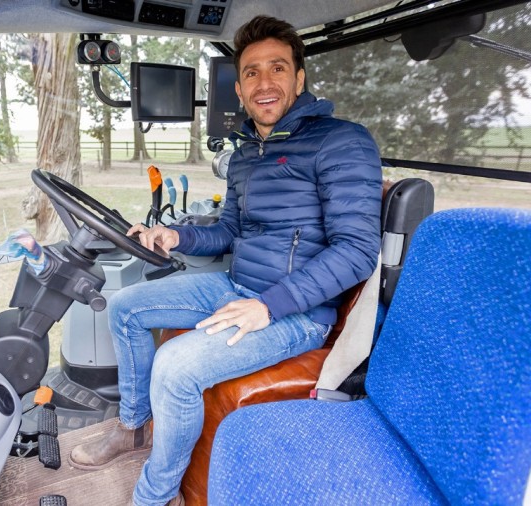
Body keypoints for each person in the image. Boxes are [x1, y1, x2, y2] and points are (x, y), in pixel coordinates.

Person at [69, 15, 382, 506]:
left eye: (277, 68)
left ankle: (155, 495)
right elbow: (228, 232)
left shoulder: (341, 141)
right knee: (125, 305)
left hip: (297, 312)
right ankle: (132, 427)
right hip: (236, 287)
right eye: (252, 72)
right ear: (239, 89)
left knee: (175, 366)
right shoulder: (245, 156)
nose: (265, 82)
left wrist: (270, 305)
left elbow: (358, 251)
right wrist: (176, 235)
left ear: (299, 79)